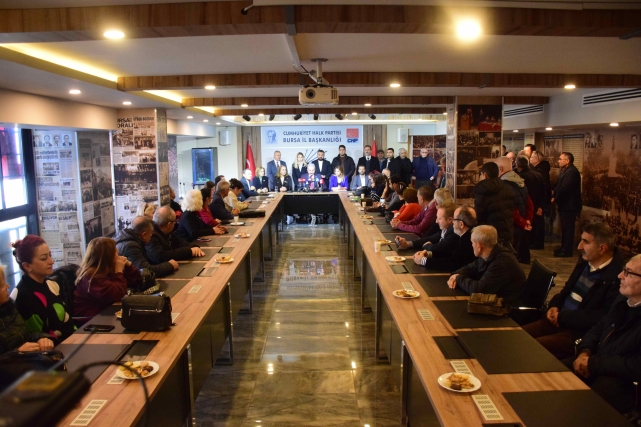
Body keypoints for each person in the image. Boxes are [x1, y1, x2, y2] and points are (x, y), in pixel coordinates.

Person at [523, 223, 624, 359]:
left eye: (585, 242)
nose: (579, 247)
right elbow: (566, 290)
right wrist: (554, 305)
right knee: (517, 335)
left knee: (530, 348)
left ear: (602, 248)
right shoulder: (585, 262)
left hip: (578, 332)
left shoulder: (617, 277)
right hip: (559, 319)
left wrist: (563, 317)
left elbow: (602, 317)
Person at [568, 254, 641, 416]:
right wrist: (584, 352)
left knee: (582, 409)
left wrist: (593, 364)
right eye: (623, 270)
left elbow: (636, 365)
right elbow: (599, 327)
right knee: (553, 372)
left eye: (628, 272)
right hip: (598, 363)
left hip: (624, 381)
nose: (619, 276)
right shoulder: (623, 299)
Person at [10, 235, 76, 340]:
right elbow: (42, 336)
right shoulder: (23, 295)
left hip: (71, 339)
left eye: (50, 255)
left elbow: (67, 320)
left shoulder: (51, 284)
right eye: (44, 258)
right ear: (27, 266)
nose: (51, 261)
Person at [447, 225, 525, 306]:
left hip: (508, 307)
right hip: (496, 302)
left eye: (472, 242)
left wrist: (458, 278)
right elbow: (471, 268)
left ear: (479, 246)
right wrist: (456, 274)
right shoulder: (489, 253)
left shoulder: (502, 262)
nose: (472, 245)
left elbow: (479, 290)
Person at [74, 237, 141, 319]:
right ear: (107, 255)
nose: (118, 252)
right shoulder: (91, 276)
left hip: (107, 313)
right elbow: (118, 295)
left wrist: (128, 266)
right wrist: (118, 271)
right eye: (115, 251)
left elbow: (136, 282)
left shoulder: (107, 269)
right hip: (92, 319)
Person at [399, 204, 477, 272]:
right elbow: (448, 254)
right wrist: (429, 254)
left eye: (454, 219)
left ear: (461, 224)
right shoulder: (464, 236)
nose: (452, 222)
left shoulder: (467, 240)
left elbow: (453, 264)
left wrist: (423, 260)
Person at [0, 264, 55, 354]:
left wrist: (41, 338)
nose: (8, 286)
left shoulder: (8, 308)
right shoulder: (24, 294)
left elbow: (26, 336)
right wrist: (17, 353)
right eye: (3, 285)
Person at [496, 156, 532, 262]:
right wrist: (527, 220)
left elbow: (510, 207)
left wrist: (523, 223)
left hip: (512, 225)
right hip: (521, 224)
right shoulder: (520, 181)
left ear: (500, 169)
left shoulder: (503, 184)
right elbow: (529, 203)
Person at [474, 161, 515, 248]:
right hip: (507, 230)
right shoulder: (508, 187)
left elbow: (479, 215)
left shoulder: (482, 189)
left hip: (489, 233)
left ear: (485, 175)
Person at [553, 152, 582, 257]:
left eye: (560, 159)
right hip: (565, 205)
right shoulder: (566, 170)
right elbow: (559, 185)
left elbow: (565, 188)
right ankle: (563, 247)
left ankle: (566, 250)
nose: (559, 161)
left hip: (569, 206)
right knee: (565, 229)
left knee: (568, 229)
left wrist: (555, 198)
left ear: (567, 161)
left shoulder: (572, 172)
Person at [516, 155, 546, 258]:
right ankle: (538, 243)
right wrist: (541, 207)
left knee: (528, 228)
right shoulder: (538, 175)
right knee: (538, 226)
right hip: (538, 206)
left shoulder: (520, 177)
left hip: (527, 206)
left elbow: (525, 194)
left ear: (517, 165)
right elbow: (543, 192)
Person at [529, 150, 552, 248]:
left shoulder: (541, 171)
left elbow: (543, 189)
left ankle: (538, 243)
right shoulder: (537, 170)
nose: (530, 159)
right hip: (538, 201)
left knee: (538, 223)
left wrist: (540, 205)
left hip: (539, 202)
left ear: (537, 159)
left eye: (531, 157)